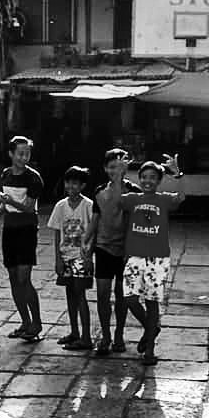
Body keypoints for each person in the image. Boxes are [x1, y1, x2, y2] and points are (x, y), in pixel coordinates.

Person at [119, 156, 185, 367]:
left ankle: (149, 351)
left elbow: (181, 197)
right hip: (134, 256)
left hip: (157, 258)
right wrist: (121, 171)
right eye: (144, 177)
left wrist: (178, 174)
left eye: (153, 178)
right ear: (139, 179)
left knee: (151, 301)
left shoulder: (163, 199)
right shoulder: (132, 199)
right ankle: (151, 328)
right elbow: (114, 197)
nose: (148, 181)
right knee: (129, 298)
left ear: (159, 181)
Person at [0, 135, 45, 342]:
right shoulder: (6, 175)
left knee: (24, 278)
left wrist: (10, 201)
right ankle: (25, 322)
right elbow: (6, 203)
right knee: (12, 278)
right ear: (11, 154)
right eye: (20, 153)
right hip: (9, 229)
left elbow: (28, 207)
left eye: (27, 154)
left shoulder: (33, 178)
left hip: (27, 229)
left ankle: (36, 322)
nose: (23, 157)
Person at [87, 148, 140, 357]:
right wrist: (87, 242)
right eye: (111, 167)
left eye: (118, 166)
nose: (114, 170)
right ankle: (106, 335)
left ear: (126, 167)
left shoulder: (133, 191)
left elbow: (127, 211)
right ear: (104, 168)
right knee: (102, 294)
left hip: (125, 251)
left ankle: (118, 334)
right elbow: (96, 218)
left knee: (121, 295)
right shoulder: (100, 191)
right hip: (103, 247)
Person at [47, 166, 94, 351]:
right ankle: (74, 332)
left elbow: (93, 231)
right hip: (65, 255)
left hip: (81, 257)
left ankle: (86, 337)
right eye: (68, 182)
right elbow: (57, 233)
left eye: (75, 182)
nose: (71, 186)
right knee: (70, 294)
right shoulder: (61, 206)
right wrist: (57, 258)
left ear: (82, 185)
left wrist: (89, 255)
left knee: (80, 295)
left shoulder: (88, 205)